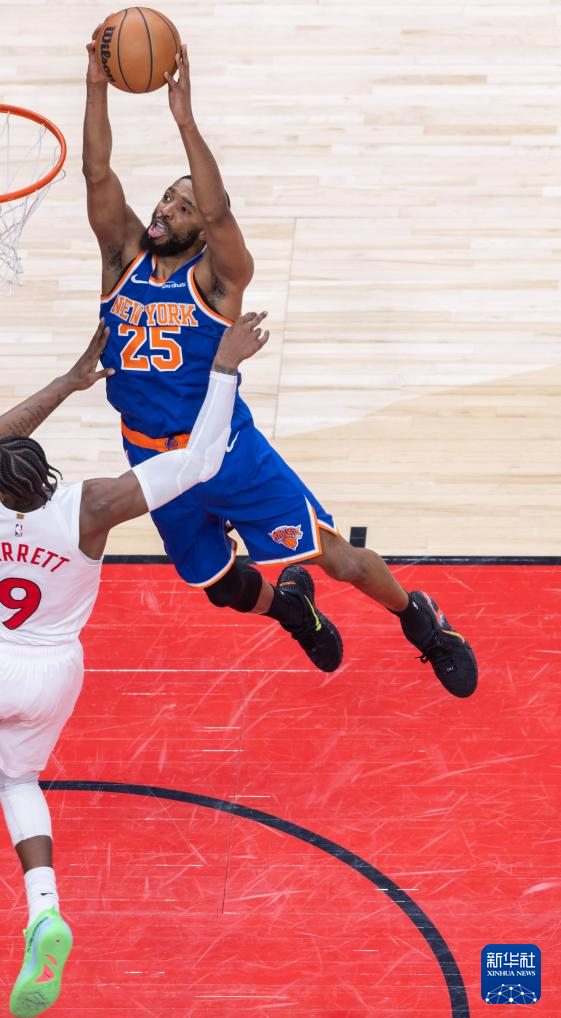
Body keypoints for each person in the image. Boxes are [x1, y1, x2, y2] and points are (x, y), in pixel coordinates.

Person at [0, 314, 269, 1017]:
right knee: (16, 778)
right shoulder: (90, 507)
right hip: (53, 673)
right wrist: (224, 368)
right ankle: (44, 912)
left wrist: (70, 380)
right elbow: (199, 461)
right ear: (45, 475)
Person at [82, 33, 477, 698]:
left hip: (227, 452)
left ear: (202, 232)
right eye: (166, 198)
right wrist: (96, 86)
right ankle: (291, 609)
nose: (165, 209)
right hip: (151, 458)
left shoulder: (217, 279)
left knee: (339, 560)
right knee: (220, 587)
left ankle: (423, 623)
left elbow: (219, 211)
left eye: (182, 206)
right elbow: (97, 175)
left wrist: (184, 121)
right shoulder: (122, 258)